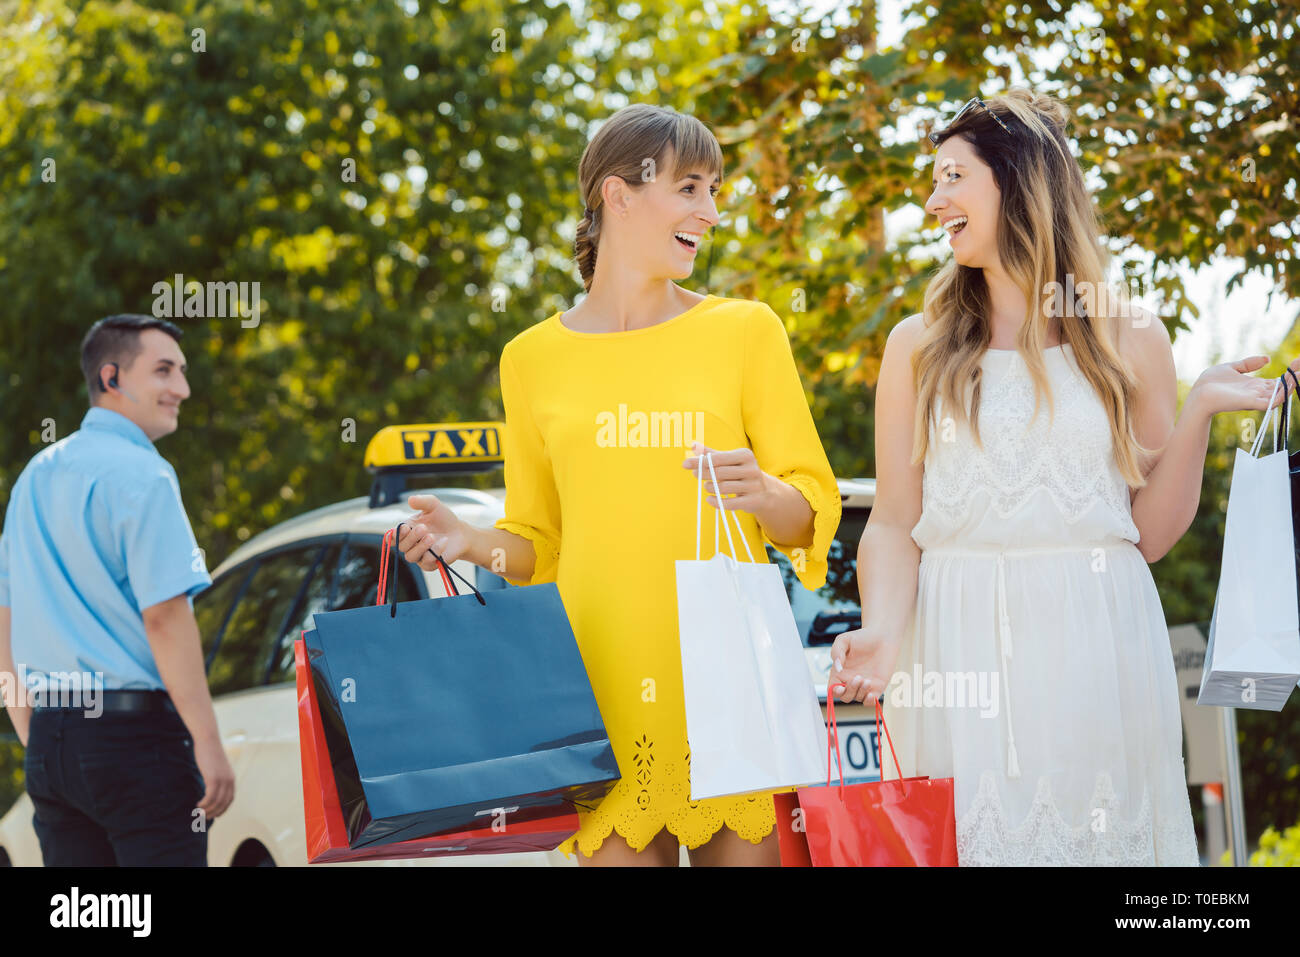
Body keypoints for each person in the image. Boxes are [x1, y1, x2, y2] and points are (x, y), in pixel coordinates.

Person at [830, 89, 1297, 865]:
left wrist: (1200, 411)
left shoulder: (1129, 334)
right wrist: (880, 629)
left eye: (952, 176)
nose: (932, 198)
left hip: (1099, 643)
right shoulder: (917, 345)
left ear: (1018, 182)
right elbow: (890, 520)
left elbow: (1147, 534)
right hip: (956, 646)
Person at [398, 104, 841, 866]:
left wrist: (764, 492)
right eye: (692, 187)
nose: (711, 211)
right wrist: (469, 541)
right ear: (619, 194)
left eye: (714, 189)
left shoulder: (746, 330)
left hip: (725, 684)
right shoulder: (530, 359)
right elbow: (539, 543)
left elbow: (808, 514)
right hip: (593, 689)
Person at [0, 315, 235, 866]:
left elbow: (4, 621)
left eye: (181, 372)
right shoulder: (144, 475)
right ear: (112, 377)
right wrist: (208, 742)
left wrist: (35, 733)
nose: (182, 388)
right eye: (164, 370)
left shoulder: (35, 475)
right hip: (135, 741)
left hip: (51, 740)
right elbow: (165, 618)